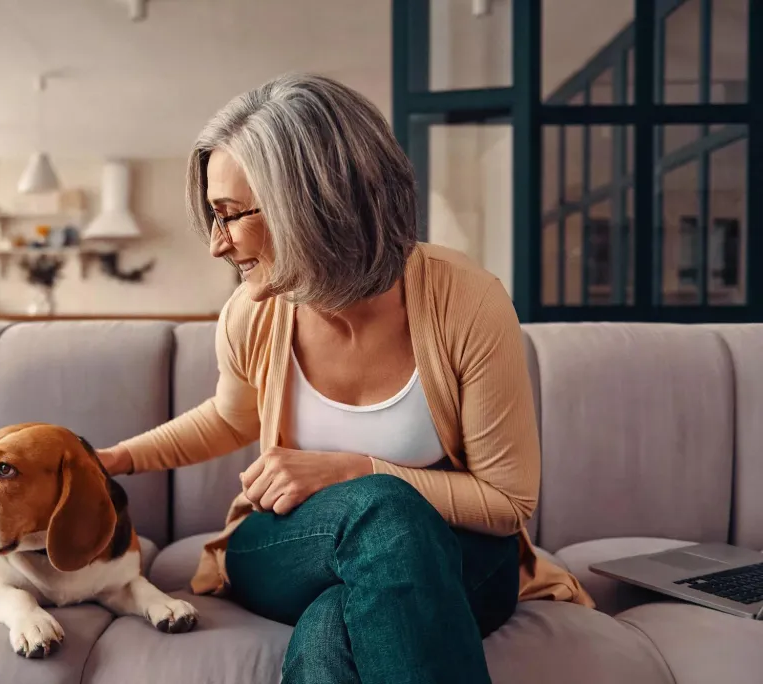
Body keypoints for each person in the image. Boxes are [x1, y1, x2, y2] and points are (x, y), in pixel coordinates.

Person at [97, 73, 593, 684]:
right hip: (289, 543)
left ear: (308, 203)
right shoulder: (253, 313)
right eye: (213, 217)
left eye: (229, 216)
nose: (217, 245)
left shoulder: (464, 301)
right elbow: (231, 416)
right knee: (383, 516)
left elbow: (508, 502)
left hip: (459, 552)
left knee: (338, 620)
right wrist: (115, 458)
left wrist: (358, 469)